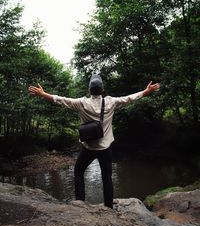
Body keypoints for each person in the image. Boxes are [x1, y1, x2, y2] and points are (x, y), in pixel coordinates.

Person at [28, 74, 160, 209]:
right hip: (105, 149)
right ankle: (109, 207)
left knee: (78, 171)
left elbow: (60, 100)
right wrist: (146, 91)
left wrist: (42, 94)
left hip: (88, 149)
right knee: (107, 178)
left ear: (89, 90)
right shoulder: (111, 102)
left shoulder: (81, 103)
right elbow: (130, 98)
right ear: (102, 90)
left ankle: (80, 203)